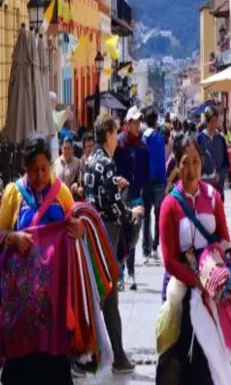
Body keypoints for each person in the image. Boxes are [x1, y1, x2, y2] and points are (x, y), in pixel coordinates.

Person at [0, 136, 85, 384]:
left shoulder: (61, 193)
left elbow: (77, 225)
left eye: (44, 169)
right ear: (26, 168)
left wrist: (78, 230)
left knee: (54, 364)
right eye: (34, 170)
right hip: (21, 304)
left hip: (54, 300)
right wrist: (12, 237)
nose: (40, 176)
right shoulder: (14, 193)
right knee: (21, 366)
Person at [156, 134, 231, 383]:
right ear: (177, 165)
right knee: (179, 365)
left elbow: (224, 242)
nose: (190, 169)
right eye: (185, 162)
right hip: (181, 293)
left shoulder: (213, 198)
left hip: (209, 295)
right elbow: (169, 260)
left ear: (203, 163)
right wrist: (196, 282)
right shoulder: (170, 205)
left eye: (196, 162)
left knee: (206, 362)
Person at [84, 114, 144, 375]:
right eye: (115, 133)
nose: (118, 138)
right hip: (106, 236)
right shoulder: (107, 163)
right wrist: (133, 213)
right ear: (108, 133)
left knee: (101, 298)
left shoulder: (90, 161)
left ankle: (104, 354)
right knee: (107, 297)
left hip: (92, 234)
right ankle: (111, 356)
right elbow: (114, 207)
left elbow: (98, 195)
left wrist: (114, 185)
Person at [114, 106, 149, 290]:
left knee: (134, 234)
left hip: (136, 195)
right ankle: (120, 273)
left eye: (139, 122)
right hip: (122, 196)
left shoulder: (143, 146)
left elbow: (146, 170)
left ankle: (131, 272)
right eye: (134, 122)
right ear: (127, 124)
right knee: (121, 234)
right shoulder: (119, 144)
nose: (137, 125)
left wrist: (141, 184)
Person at [142, 107, 166, 260]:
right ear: (156, 121)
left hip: (145, 181)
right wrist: (164, 182)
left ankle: (146, 248)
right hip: (158, 181)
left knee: (146, 216)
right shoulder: (159, 137)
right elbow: (162, 162)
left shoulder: (142, 138)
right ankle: (156, 246)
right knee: (158, 214)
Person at [196, 106, 229, 199]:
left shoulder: (221, 139)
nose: (214, 124)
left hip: (218, 188)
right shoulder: (200, 139)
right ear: (207, 121)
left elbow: (226, 163)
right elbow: (196, 162)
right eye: (212, 121)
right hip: (203, 188)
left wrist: (220, 175)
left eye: (216, 121)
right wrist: (205, 178)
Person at [74, 132, 95, 200]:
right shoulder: (81, 161)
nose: (90, 149)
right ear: (84, 147)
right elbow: (80, 178)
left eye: (91, 146)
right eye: (87, 146)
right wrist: (79, 186)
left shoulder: (98, 160)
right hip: (86, 196)